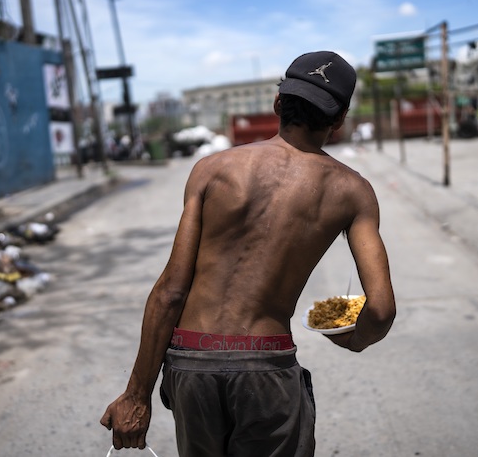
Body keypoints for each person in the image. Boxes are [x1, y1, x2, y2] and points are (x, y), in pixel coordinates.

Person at [100, 51, 396, 457]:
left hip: (191, 364)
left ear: (278, 103)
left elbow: (171, 290)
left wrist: (137, 395)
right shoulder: (353, 191)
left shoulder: (211, 170)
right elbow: (380, 310)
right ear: (340, 119)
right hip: (265, 367)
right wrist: (354, 340)